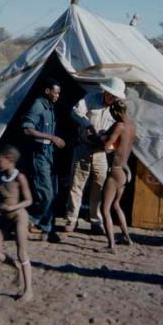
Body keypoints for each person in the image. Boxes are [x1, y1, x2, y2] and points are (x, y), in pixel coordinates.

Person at [64, 76, 127, 235]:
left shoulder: (116, 109)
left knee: (99, 187)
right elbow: (75, 112)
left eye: (115, 96)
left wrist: (109, 146)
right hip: (84, 148)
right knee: (76, 186)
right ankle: (71, 220)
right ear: (104, 90)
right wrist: (87, 125)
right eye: (110, 94)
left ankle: (95, 220)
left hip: (101, 152)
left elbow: (120, 132)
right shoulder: (90, 99)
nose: (111, 98)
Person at [21, 78, 66, 242]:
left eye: (59, 93)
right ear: (47, 91)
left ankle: (46, 228)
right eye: (56, 92)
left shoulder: (50, 107)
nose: (58, 95)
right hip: (39, 153)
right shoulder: (38, 106)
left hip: (49, 154)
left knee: (52, 192)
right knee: (45, 193)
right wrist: (51, 137)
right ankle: (29, 220)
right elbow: (27, 129)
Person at [0, 144, 34, 303]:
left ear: (10, 160)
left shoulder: (19, 177)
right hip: (4, 218)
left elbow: (29, 200)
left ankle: (28, 291)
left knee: (22, 252)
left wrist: (12, 207)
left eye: (0, 159)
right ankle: (16, 266)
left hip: (19, 216)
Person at [99, 99, 136, 253]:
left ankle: (111, 245)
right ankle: (127, 237)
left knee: (105, 209)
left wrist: (101, 137)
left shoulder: (119, 125)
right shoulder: (131, 126)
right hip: (125, 170)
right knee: (116, 205)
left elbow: (107, 146)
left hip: (115, 171)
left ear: (115, 112)